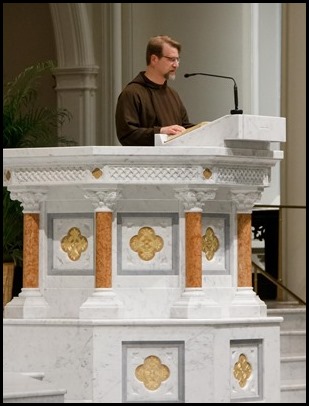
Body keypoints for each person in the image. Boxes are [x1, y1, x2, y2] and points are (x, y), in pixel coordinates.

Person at [115, 35, 194, 146]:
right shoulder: (132, 93)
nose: (176, 65)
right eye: (171, 59)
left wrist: (205, 129)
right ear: (154, 59)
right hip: (145, 162)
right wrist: (160, 132)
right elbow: (127, 134)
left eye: (177, 59)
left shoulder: (173, 94)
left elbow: (184, 127)